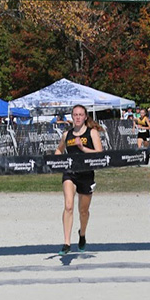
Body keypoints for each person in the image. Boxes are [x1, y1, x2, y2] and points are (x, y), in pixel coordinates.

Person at [55, 104, 103, 255]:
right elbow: (59, 150)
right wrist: (58, 160)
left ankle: (82, 234)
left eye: (80, 115)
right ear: (71, 117)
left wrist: (82, 148)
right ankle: (66, 243)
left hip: (86, 174)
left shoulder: (92, 133)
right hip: (70, 172)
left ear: (85, 117)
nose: (77, 117)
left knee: (83, 210)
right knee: (68, 205)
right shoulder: (66, 135)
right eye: (75, 115)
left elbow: (99, 154)